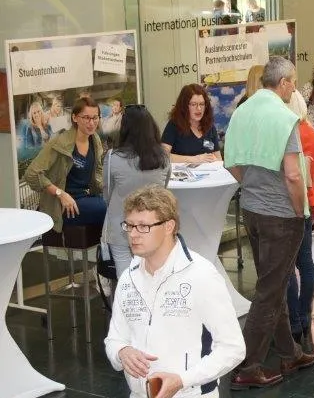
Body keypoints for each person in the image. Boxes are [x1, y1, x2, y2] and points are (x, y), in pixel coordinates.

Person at [104, 185, 245, 398]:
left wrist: (182, 379)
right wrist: (122, 353)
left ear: (168, 226)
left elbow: (233, 348)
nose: (133, 234)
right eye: (129, 225)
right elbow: (114, 337)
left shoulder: (201, 276)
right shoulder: (129, 278)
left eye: (143, 226)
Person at [225, 56, 314, 389]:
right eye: (293, 82)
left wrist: (249, 185)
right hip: (281, 214)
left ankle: (290, 353)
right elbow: (293, 174)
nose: (294, 88)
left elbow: (230, 162)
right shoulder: (284, 117)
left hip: (251, 210)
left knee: (273, 282)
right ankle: (248, 366)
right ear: (285, 83)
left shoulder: (241, 112)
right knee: (269, 290)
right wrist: (298, 209)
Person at [102, 105, 172, 277]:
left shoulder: (113, 157)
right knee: (154, 276)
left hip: (121, 224)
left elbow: (107, 194)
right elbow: (163, 191)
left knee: (125, 277)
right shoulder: (163, 157)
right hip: (152, 226)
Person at [25, 97, 106, 233]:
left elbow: (98, 175)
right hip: (63, 205)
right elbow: (31, 174)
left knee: (121, 205)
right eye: (86, 118)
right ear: (75, 118)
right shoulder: (60, 142)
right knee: (108, 208)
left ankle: (107, 246)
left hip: (87, 197)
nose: (91, 123)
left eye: (95, 118)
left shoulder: (95, 140)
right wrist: (60, 193)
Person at [284, 91, 314, 346]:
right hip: (309, 202)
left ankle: (294, 321)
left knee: (289, 265)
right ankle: (306, 316)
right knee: (306, 262)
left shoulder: (286, 135)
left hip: (288, 205)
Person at [161, 84, 221, 164]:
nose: (199, 108)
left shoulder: (210, 127)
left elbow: (219, 158)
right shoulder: (174, 125)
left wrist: (215, 160)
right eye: (193, 104)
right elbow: (163, 157)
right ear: (184, 106)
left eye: (202, 104)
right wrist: (194, 159)